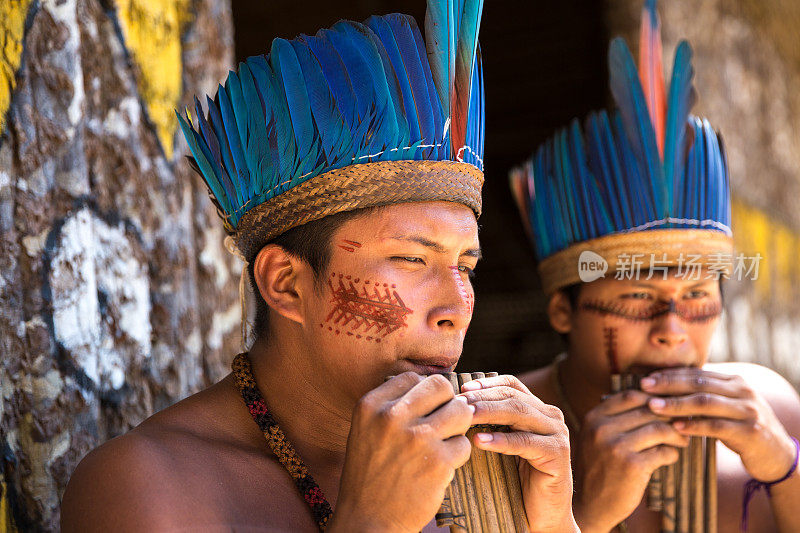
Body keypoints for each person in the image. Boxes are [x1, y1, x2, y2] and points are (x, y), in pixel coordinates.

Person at [62, 2, 578, 531]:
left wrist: (558, 522)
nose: (456, 310)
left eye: (465, 265)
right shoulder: (146, 486)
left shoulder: (482, 473)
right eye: (411, 258)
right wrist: (372, 521)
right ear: (286, 283)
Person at [509, 1, 800, 531]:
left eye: (696, 297)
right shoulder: (503, 432)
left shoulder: (772, 407)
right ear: (561, 311)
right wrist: (587, 514)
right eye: (639, 299)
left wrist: (784, 468)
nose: (672, 332)